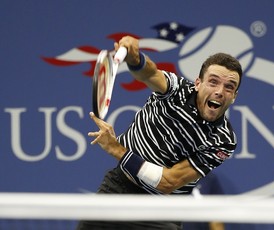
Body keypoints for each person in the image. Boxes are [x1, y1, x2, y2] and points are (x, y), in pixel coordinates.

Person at [76, 36, 242, 230]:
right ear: (198, 83)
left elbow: (167, 182)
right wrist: (135, 59)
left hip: (162, 213)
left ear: (234, 97)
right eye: (213, 82)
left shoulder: (224, 140)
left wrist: (116, 149)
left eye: (229, 87)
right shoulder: (176, 89)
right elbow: (149, 74)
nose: (220, 91)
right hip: (118, 190)